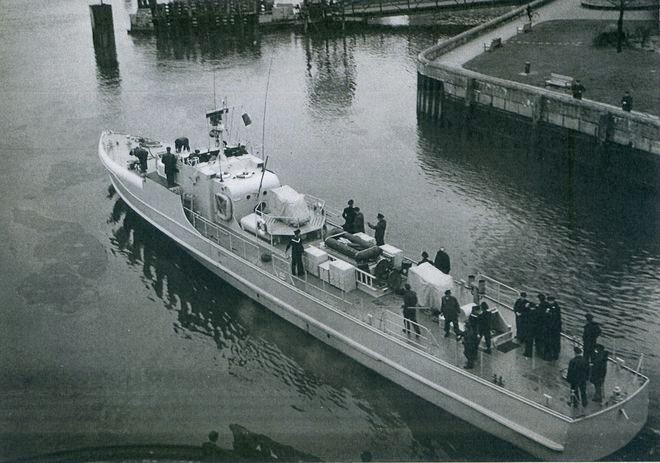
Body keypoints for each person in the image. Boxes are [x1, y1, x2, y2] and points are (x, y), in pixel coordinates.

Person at [544, 296, 562, 361]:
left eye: (550, 301)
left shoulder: (556, 308)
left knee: (553, 343)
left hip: (553, 329)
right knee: (549, 342)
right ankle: (550, 355)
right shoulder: (549, 306)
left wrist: (547, 313)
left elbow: (556, 319)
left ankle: (553, 355)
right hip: (550, 328)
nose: (549, 302)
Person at [535, 293, 550, 359]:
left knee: (539, 339)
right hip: (546, 325)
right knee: (544, 339)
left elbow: (538, 315)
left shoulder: (540, 306)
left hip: (540, 326)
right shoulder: (547, 305)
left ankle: (539, 352)